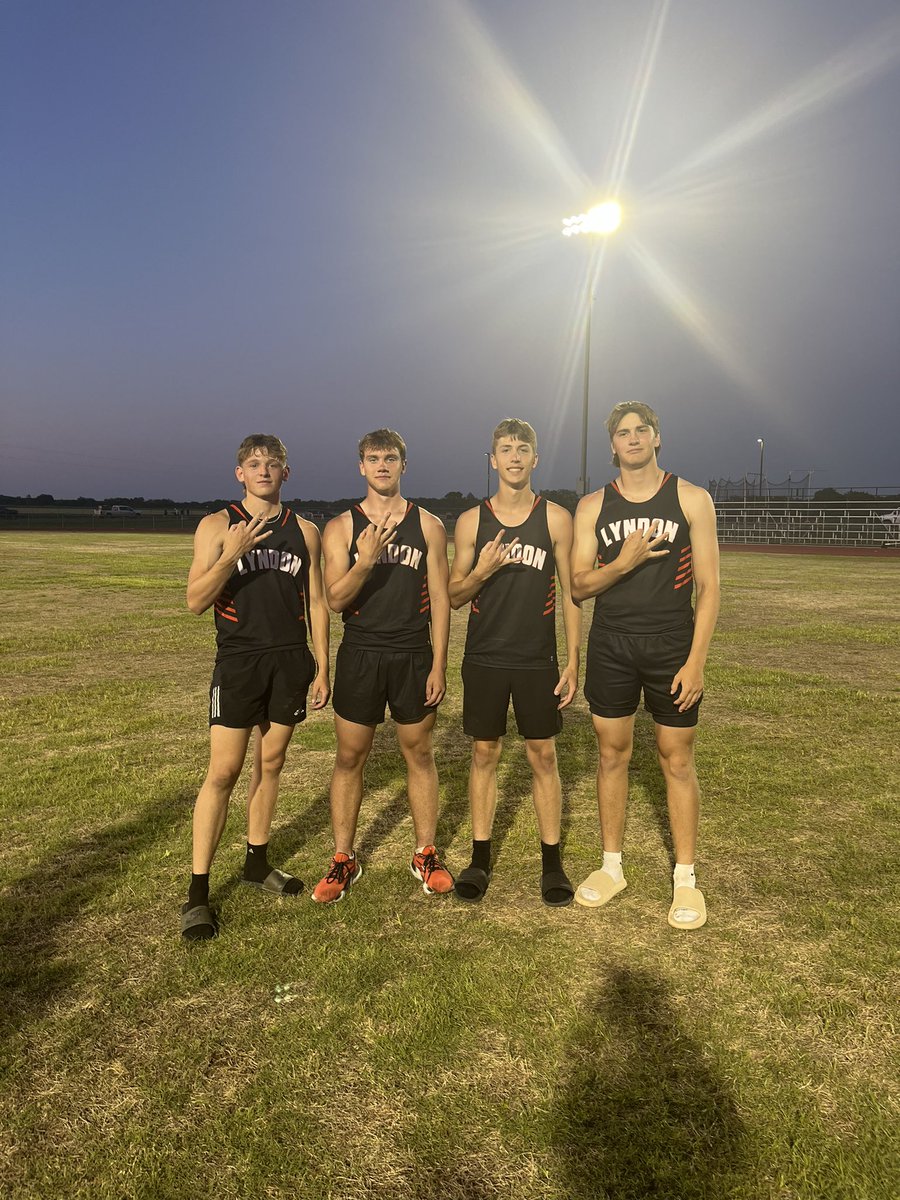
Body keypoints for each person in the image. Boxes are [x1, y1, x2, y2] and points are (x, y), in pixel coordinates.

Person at [571, 402, 720, 929]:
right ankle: (612, 867)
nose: (632, 439)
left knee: (676, 758)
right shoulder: (592, 506)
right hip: (612, 643)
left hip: (672, 643)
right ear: (612, 445)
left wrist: (696, 661)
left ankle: (685, 878)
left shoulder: (691, 498)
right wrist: (623, 563)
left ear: (658, 438)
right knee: (612, 755)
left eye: (641, 431)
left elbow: (710, 588)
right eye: (622, 433)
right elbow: (578, 585)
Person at [180, 435, 330, 940]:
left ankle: (256, 862)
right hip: (239, 662)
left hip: (290, 662)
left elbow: (316, 603)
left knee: (272, 763)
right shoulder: (217, 524)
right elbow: (195, 600)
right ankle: (198, 893)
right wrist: (232, 554)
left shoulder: (304, 531)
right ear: (239, 473)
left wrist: (323, 667)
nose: (263, 471)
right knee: (223, 770)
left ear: (287, 473)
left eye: (273, 464)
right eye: (253, 464)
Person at [311, 429, 453, 903]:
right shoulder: (341, 528)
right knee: (350, 757)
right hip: (362, 653)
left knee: (420, 753)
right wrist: (365, 561)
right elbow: (334, 600)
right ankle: (343, 858)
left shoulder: (429, 525)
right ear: (361, 467)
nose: (382, 466)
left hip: (414, 653)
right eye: (373, 459)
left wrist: (439, 663)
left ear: (403, 466)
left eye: (390, 458)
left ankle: (425, 853)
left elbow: (441, 599)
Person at [449, 418, 580, 906]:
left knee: (543, 755)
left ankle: (552, 864)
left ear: (535, 459)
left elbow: (570, 594)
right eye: (505, 449)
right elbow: (453, 594)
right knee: (485, 753)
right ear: (493, 460)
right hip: (484, 656)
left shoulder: (555, 519)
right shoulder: (470, 522)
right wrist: (481, 570)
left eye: (523, 448)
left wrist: (573, 660)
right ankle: (479, 858)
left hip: (536, 657)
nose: (515, 456)